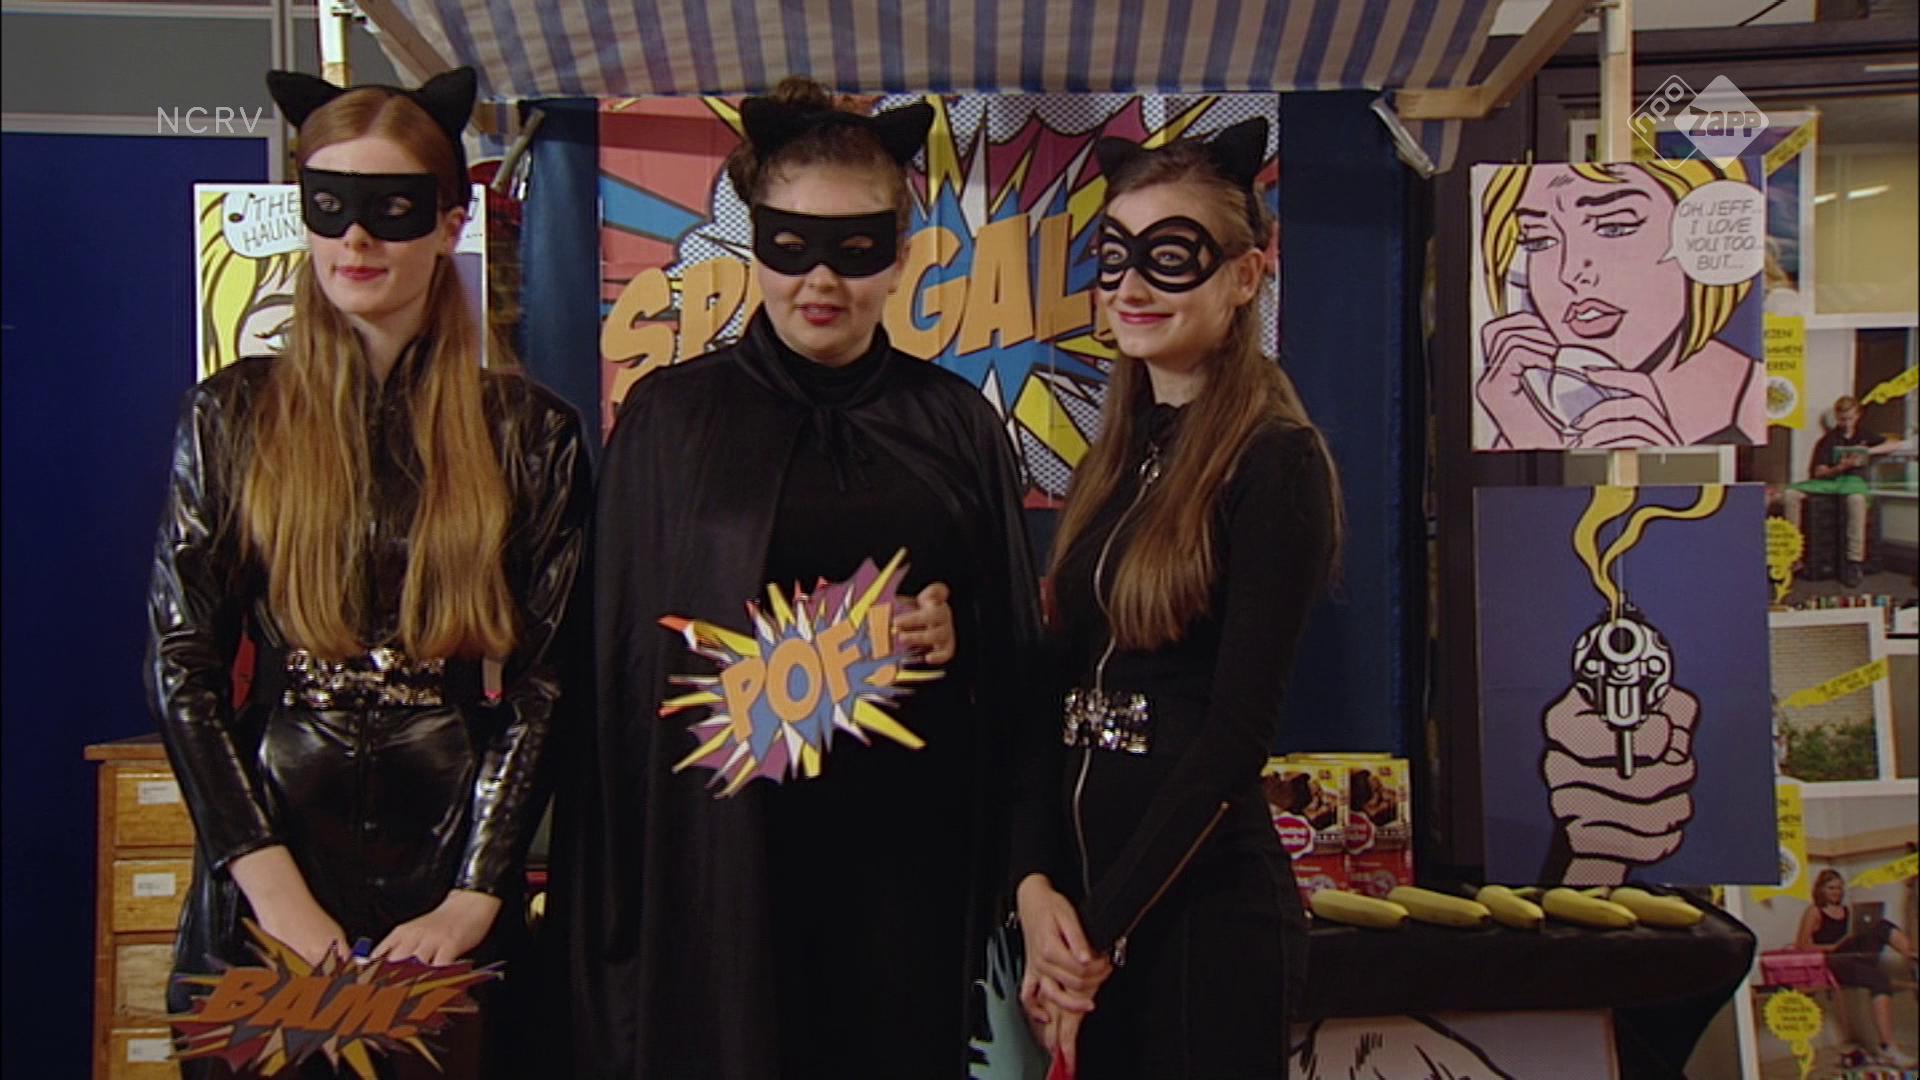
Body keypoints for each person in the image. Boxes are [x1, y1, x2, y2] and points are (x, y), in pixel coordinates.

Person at [556, 77, 1041, 1079]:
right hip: (726, 869)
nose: (820, 280)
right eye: (790, 245)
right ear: (754, 247)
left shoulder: (956, 424)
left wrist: (957, 634)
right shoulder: (671, 422)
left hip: (904, 861)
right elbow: (621, 675)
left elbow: (1015, 665)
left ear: (900, 256)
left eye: (854, 249)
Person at [146, 67, 591, 1078]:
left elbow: (550, 680)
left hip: (452, 857)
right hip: (267, 864)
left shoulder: (529, 434)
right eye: (330, 205)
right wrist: (270, 888)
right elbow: (183, 665)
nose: (356, 240)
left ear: (448, 222)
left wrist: (475, 892)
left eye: (390, 210)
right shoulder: (231, 417)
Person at [1011, 116, 1339, 1078]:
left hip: (1202, 927)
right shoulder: (1112, 462)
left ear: (1245, 275)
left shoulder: (1275, 463)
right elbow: (1051, 690)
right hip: (1081, 922)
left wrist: (1100, 933)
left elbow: (1234, 737)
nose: (1132, 287)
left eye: (1172, 257)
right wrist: (1034, 889)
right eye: (1116, 257)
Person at [1477, 160, 1764, 449]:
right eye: (1538, 241)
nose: (1570, 272)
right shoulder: (1528, 406)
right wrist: (1527, 432)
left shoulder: (1756, 402)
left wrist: (1655, 463)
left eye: (1615, 228)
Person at [1795, 868, 1920, 1068]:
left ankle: (1912, 954)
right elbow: (1802, 946)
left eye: (1839, 888)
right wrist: (1834, 946)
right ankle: (1888, 1049)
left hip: (1855, 954)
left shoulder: (1847, 911)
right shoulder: (1814, 911)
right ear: (1821, 889)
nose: (1836, 892)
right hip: (1836, 960)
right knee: (1880, 980)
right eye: (1831, 888)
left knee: (1881, 925)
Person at [1781, 395, 1889, 586]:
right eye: (1842, 419)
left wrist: (1866, 452)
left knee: (1856, 500)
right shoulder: (1827, 440)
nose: (1846, 423)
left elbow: (1894, 443)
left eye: (1850, 418)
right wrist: (1841, 466)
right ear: (1837, 418)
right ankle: (1792, 556)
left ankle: (1854, 562)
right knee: (1790, 494)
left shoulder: (1865, 434)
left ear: (1857, 415)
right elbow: (1819, 472)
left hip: (1853, 483)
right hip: (1830, 482)